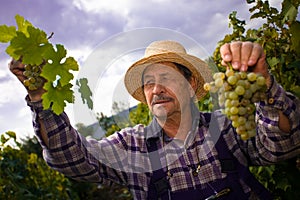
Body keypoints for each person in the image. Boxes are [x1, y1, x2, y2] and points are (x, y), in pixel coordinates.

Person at [9, 40, 300, 200]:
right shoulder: (130, 146)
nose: (156, 88)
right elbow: (71, 159)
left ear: (190, 87)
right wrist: (41, 99)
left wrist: (265, 90)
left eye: (167, 78)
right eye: (149, 82)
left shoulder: (226, 126)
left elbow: (284, 147)